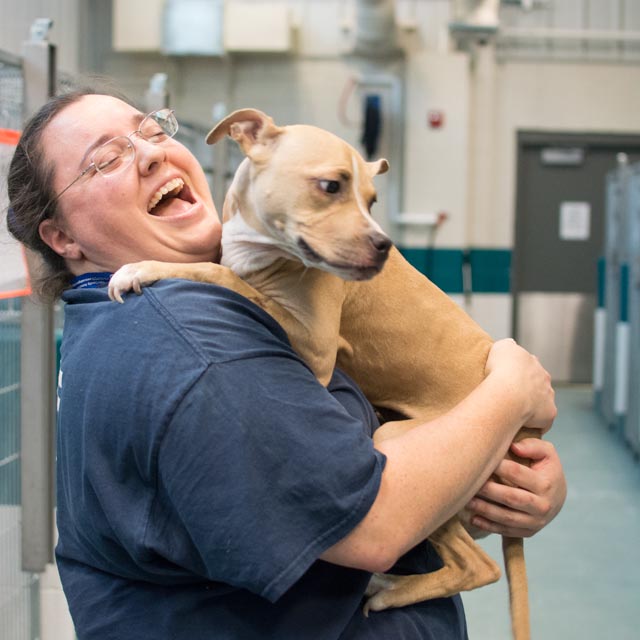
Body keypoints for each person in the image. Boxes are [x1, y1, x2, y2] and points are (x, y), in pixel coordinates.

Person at [7, 87, 565, 640]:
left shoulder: (121, 316)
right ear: (62, 237)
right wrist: (509, 392)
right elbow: (376, 522)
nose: (150, 152)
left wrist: (510, 469)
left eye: (152, 131)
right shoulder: (196, 348)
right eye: (106, 159)